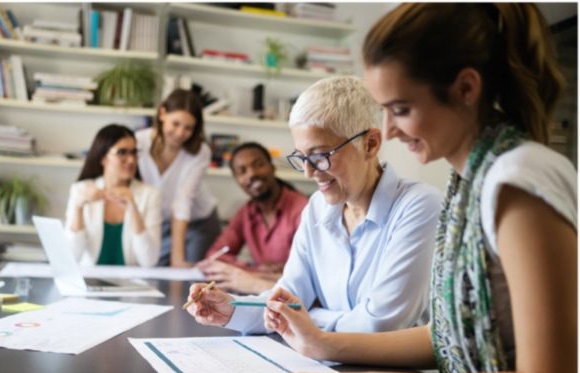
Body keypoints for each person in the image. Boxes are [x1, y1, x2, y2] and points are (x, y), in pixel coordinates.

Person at [235, 3, 578, 373]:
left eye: (399, 108)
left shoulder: (518, 179)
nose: (389, 131)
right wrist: (324, 343)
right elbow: (448, 337)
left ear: (465, 89)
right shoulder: (469, 182)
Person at [185, 76, 443, 334]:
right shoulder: (317, 208)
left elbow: (380, 324)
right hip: (332, 364)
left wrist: (308, 317)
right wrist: (231, 309)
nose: (308, 173)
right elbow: (288, 297)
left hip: (396, 372)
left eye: (320, 156)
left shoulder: (420, 207)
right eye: (302, 157)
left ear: (370, 144)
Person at [198, 142, 309, 294]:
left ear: (272, 167)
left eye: (259, 164)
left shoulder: (303, 209)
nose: (251, 174)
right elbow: (215, 256)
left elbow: (303, 274)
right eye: (242, 171)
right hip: (263, 295)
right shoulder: (246, 212)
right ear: (237, 180)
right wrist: (255, 270)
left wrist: (245, 276)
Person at [135, 89, 221, 267]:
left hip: (200, 222)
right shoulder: (138, 143)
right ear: (162, 113)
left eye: (188, 127)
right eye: (175, 124)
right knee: (154, 267)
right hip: (163, 222)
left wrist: (178, 260)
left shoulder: (200, 152)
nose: (180, 133)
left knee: (188, 276)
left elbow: (183, 202)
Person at [64, 124, 162, 267]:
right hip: (89, 283)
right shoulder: (80, 190)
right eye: (122, 152)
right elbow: (72, 257)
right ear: (103, 157)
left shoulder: (150, 195)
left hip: (133, 285)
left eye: (134, 152)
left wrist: (133, 209)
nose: (131, 160)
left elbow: (149, 261)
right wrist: (78, 207)